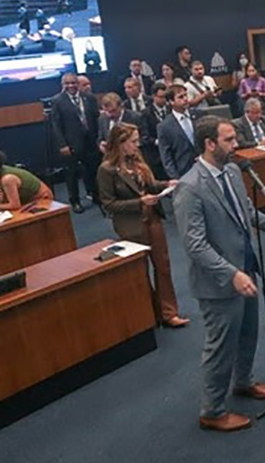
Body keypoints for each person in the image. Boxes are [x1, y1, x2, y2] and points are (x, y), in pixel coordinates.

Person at [174, 116, 265, 432]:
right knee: (220, 346)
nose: (236, 144)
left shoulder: (231, 171)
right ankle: (212, 411)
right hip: (219, 282)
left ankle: (243, 381)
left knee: (248, 333)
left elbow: (244, 211)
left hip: (246, 268)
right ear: (209, 144)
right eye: (229, 139)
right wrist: (231, 274)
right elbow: (195, 246)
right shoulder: (190, 187)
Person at [97, 123, 189, 329]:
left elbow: (150, 185)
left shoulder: (137, 161)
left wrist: (166, 185)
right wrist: (140, 202)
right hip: (131, 225)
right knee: (139, 271)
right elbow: (108, 204)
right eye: (133, 142)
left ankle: (168, 313)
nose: (137, 146)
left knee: (162, 266)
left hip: (152, 219)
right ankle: (149, 314)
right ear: (120, 143)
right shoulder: (107, 169)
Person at [51, 71, 100, 213]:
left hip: (90, 141)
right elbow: (56, 125)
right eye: (67, 83)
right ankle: (75, 201)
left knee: (92, 170)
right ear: (63, 85)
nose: (71, 85)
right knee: (71, 174)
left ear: (78, 83)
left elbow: (95, 118)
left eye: (73, 82)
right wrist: (62, 144)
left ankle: (96, 195)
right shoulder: (58, 100)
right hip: (71, 144)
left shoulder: (89, 97)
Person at [158, 85, 198, 180]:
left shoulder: (199, 115)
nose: (185, 99)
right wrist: (176, 178)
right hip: (184, 172)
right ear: (171, 101)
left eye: (185, 95)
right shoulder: (164, 126)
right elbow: (166, 157)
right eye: (180, 97)